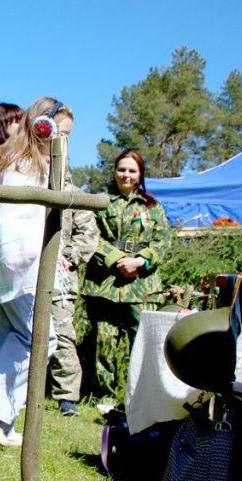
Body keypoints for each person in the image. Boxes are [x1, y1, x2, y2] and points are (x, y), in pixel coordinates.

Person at [0, 98, 73, 445]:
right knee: (41, 338)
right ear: (43, 126)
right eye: (60, 132)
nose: (61, 141)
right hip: (18, 259)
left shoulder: (8, 156)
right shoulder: (34, 164)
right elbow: (24, 221)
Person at [80, 149, 172, 404]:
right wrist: (115, 259)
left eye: (132, 170)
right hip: (105, 283)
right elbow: (90, 235)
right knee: (104, 342)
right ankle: (103, 396)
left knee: (141, 343)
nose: (126, 175)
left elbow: (163, 239)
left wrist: (140, 261)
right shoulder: (100, 202)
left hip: (141, 285)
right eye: (122, 169)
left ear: (140, 175)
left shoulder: (152, 206)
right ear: (114, 171)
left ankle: (138, 397)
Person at [49, 203, 100, 416]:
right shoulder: (28, 180)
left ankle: (67, 397)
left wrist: (67, 255)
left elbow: (88, 233)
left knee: (62, 334)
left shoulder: (72, 195)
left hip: (60, 277)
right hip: (24, 271)